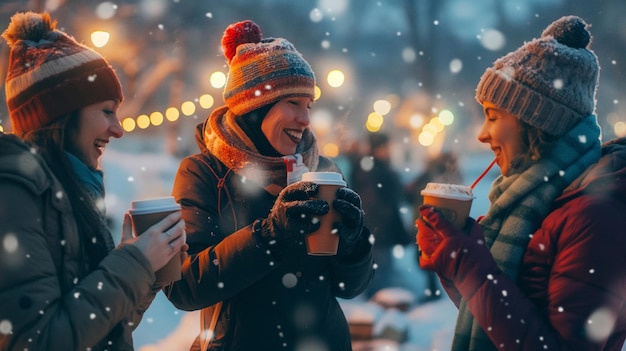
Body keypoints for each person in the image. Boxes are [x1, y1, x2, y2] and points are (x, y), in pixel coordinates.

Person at [415, 15, 626, 350]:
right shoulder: (540, 198)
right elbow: (497, 324)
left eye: (494, 116)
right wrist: (455, 254)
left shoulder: (592, 216)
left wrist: (470, 265)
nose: (483, 135)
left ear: (536, 122)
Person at [163, 20, 373, 351]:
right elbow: (185, 287)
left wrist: (354, 244)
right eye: (292, 103)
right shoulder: (204, 172)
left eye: (308, 106)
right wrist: (270, 234)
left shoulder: (323, 172)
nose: (305, 120)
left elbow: (349, 287)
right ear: (254, 109)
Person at [0, 12, 187, 351]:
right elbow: (37, 342)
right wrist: (135, 262)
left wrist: (149, 274)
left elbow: (103, 332)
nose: (119, 128)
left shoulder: (71, 189)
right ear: (61, 115)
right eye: (106, 111)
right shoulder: (15, 192)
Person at [349, 132, 413, 298]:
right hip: (376, 227)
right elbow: (370, 197)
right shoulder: (370, 166)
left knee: (381, 268)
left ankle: (381, 302)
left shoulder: (376, 165)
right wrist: (384, 215)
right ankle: (378, 303)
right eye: (385, 147)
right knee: (379, 269)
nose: (387, 150)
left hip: (379, 227)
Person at [405, 151, 463, 302]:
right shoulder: (442, 177)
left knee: (427, 259)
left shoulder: (433, 178)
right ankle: (435, 290)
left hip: (427, 224)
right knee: (429, 259)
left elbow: (413, 195)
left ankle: (434, 290)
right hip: (430, 224)